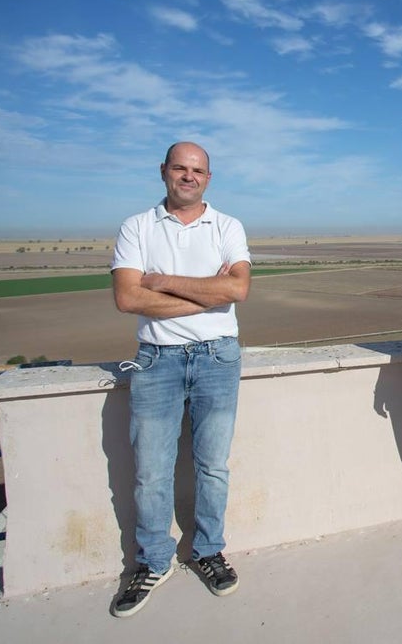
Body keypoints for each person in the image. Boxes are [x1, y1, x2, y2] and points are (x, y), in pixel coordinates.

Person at [108, 142, 252, 617]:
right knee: (151, 471)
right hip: (157, 360)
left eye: (198, 170)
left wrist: (161, 280)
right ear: (164, 172)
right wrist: (206, 297)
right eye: (180, 168)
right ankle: (153, 561)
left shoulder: (227, 226)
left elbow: (238, 288)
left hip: (218, 358)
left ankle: (208, 550)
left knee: (213, 465)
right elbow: (128, 300)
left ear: (208, 178)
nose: (188, 176)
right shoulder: (137, 227)